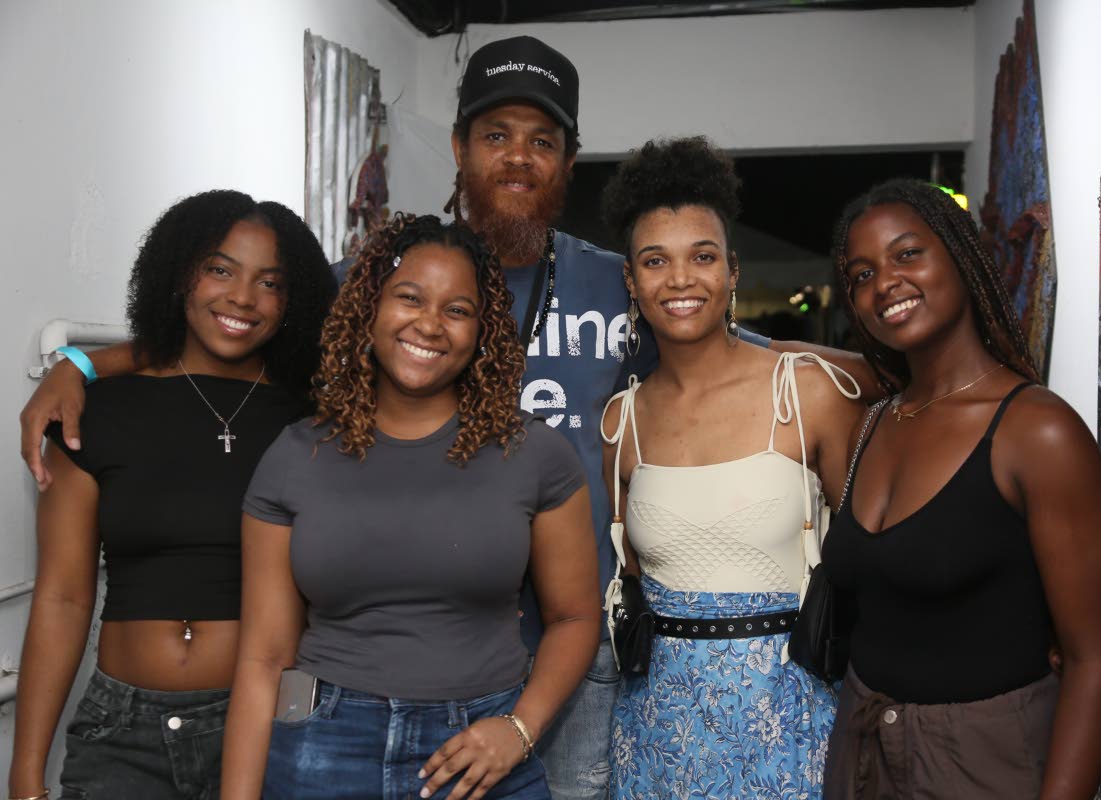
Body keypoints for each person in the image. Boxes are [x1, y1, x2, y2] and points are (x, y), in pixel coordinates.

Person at [18, 36, 878, 797]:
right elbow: (240, 327)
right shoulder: (373, 277)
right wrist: (89, 361)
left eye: (542, 142)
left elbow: (719, 340)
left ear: (568, 161)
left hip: (579, 648)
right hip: (383, 647)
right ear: (460, 147)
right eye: (496, 135)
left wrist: (878, 370)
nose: (517, 158)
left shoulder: (625, 280)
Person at [219, 214, 600, 800]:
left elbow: (574, 619)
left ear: (483, 332)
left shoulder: (534, 455)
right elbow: (264, 658)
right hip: (326, 748)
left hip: (481, 753)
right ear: (369, 307)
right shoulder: (296, 456)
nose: (430, 324)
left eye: (457, 309)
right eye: (409, 298)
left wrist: (519, 730)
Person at [7, 190, 336, 800]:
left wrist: (79, 359)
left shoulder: (313, 419)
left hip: (267, 727)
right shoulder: (96, 411)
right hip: (122, 735)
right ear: (179, 272)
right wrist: (26, 774)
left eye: (270, 283)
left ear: (292, 302)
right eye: (219, 269)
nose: (242, 297)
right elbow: (62, 597)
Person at [820, 179, 1101, 799]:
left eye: (908, 254)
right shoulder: (872, 424)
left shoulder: (1036, 432)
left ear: (959, 255)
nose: (885, 283)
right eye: (862, 274)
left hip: (985, 763)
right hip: (862, 753)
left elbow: (1095, 662)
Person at [599, 137, 864, 797]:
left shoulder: (806, 394)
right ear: (631, 281)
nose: (681, 280)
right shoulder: (621, 422)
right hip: (657, 733)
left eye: (703, 256)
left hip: (792, 723)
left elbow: (872, 563)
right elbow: (629, 580)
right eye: (655, 261)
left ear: (734, 270)